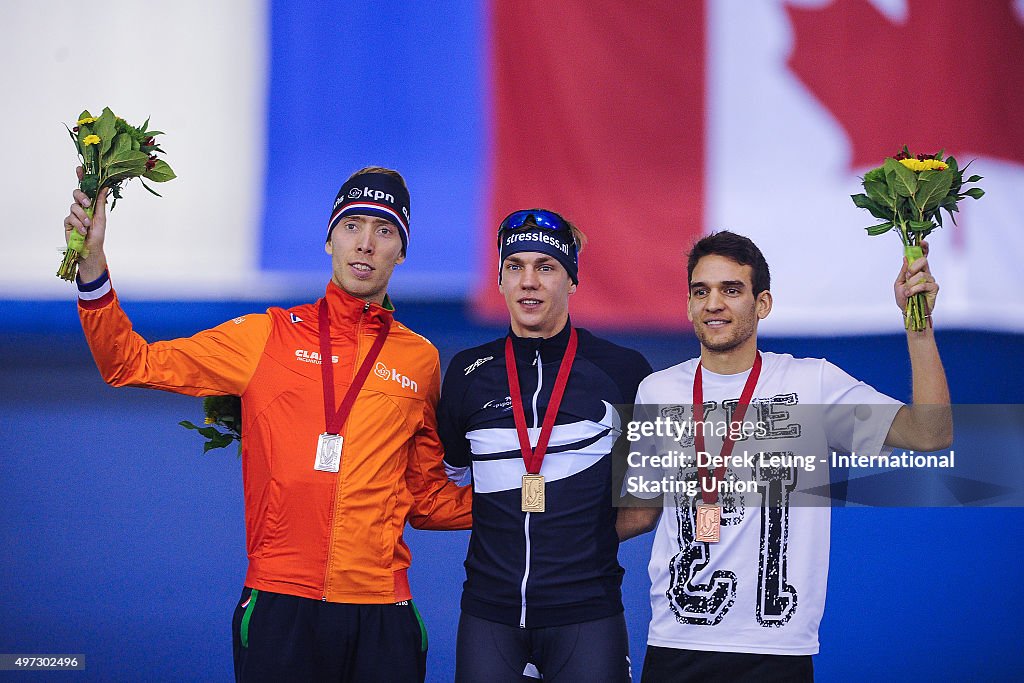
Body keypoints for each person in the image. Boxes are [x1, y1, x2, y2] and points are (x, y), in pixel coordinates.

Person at [62, 166, 473, 682]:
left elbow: (429, 499)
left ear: (402, 252)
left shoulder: (421, 361)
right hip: (281, 605)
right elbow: (129, 363)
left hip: (381, 612)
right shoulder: (265, 336)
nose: (366, 244)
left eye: (384, 231)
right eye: (352, 226)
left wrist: (542, 498)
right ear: (329, 238)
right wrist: (93, 267)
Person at [616, 231, 951, 682]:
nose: (713, 303)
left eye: (731, 290)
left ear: (763, 304)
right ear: (689, 304)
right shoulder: (656, 391)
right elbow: (637, 513)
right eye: (701, 291)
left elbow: (930, 433)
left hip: (776, 652)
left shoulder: (812, 384)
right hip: (676, 646)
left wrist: (919, 326)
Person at [437, 209, 653, 682]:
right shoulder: (466, 373)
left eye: (546, 266)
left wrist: (579, 543)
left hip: (587, 613)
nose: (529, 281)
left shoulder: (625, 370)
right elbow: (453, 479)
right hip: (489, 615)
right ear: (499, 280)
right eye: (515, 266)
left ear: (571, 279)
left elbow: (645, 504)